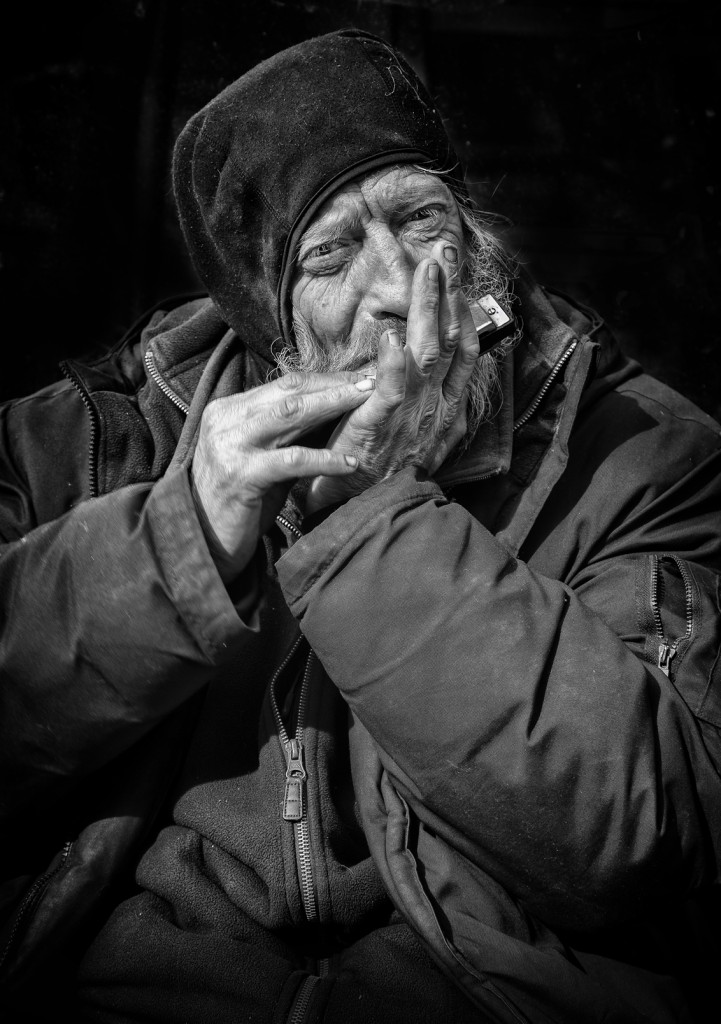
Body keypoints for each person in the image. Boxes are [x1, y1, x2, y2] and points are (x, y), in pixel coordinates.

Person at [1, 28, 720, 1024]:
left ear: (476, 240)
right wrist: (180, 544)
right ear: (265, 325)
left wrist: (375, 513)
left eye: (421, 221)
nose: (396, 287)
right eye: (333, 254)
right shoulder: (83, 440)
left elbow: (635, 841)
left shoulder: (635, 444)